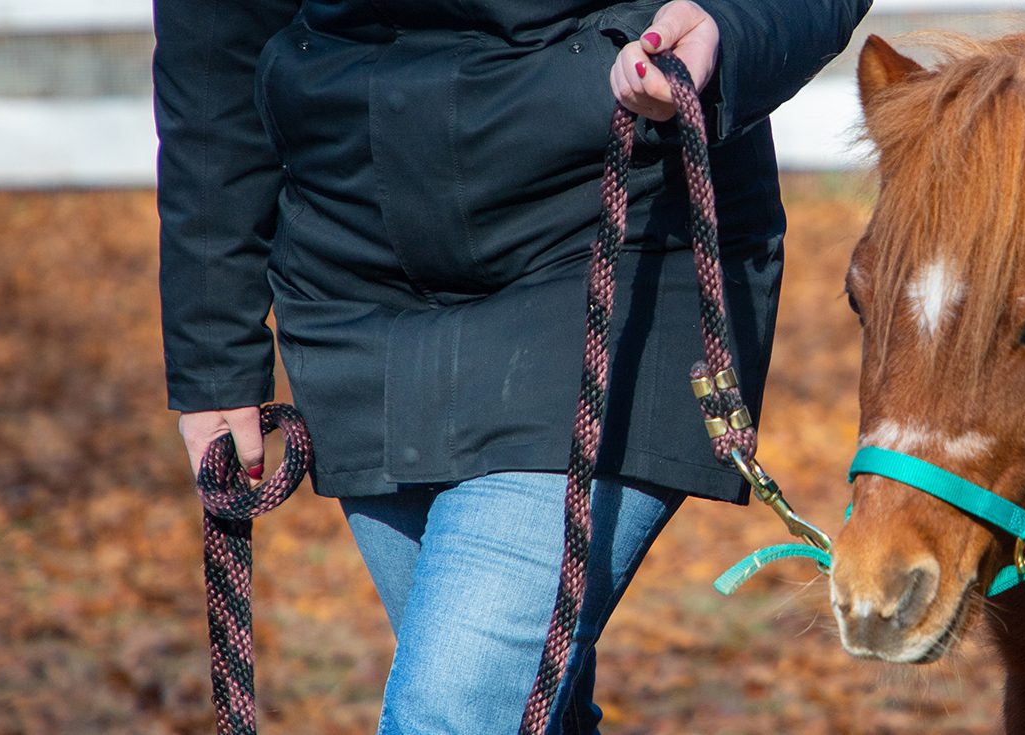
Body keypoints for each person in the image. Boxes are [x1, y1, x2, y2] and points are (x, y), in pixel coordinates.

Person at [153, 0, 867, 731]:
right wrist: (213, 349)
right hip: (356, 272)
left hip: (613, 235)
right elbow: (213, 41)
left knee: (453, 713)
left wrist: (730, 24)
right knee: (525, 709)